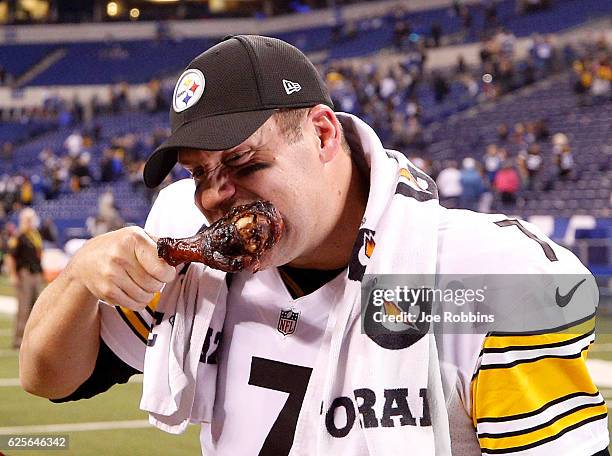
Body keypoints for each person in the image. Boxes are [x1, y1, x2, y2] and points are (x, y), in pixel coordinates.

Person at [20, 35, 609, 456]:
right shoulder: (191, 255)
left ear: (324, 133)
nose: (219, 195)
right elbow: (50, 378)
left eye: (244, 161)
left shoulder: (487, 280)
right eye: (201, 174)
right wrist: (76, 280)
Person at [6, 208, 44, 349]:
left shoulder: (34, 235)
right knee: (24, 307)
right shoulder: (19, 236)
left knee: (36, 308)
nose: (30, 222)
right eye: (28, 219)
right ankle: (19, 340)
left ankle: (32, 338)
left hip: (35, 274)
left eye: (31, 219)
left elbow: (39, 254)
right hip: (25, 274)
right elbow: (10, 256)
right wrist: (13, 275)